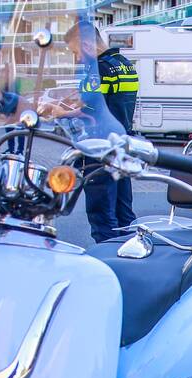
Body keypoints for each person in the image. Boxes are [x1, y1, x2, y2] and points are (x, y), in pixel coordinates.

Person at [62, 20, 139, 243]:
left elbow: (89, 110)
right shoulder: (124, 64)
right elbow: (108, 101)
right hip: (123, 145)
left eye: (75, 52)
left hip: (100, 150)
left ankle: (109, 264)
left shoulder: (100, 69)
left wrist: (56, 112)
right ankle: (129, 259)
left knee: (102, 217)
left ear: (87, 45)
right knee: (124, 214)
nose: (76, 58)